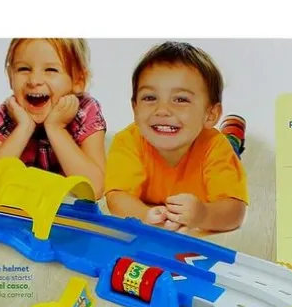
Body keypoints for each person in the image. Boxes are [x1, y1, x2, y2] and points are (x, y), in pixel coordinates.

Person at [105, 42, 248, 233]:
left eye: (181, 99)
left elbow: (235, 211)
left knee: (231, 145)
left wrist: (204, 214)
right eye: (150, 98)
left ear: (210, 115)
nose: (162, 110)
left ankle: (233, 131)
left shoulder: (215, 147)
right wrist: (144, 216)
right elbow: (117, 197)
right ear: (135, 108)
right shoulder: (128, 142)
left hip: (219, 145)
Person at [0, 38, 107, 196]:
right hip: (22, 206)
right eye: (24, 69)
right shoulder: (10, 112)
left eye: (50, 70)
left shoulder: (85, 110)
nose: (34, 81)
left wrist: (56, 129)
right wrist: (24, 128)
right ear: (10, 77)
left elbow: (95, 189)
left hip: (66, 208)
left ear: (78, 80)